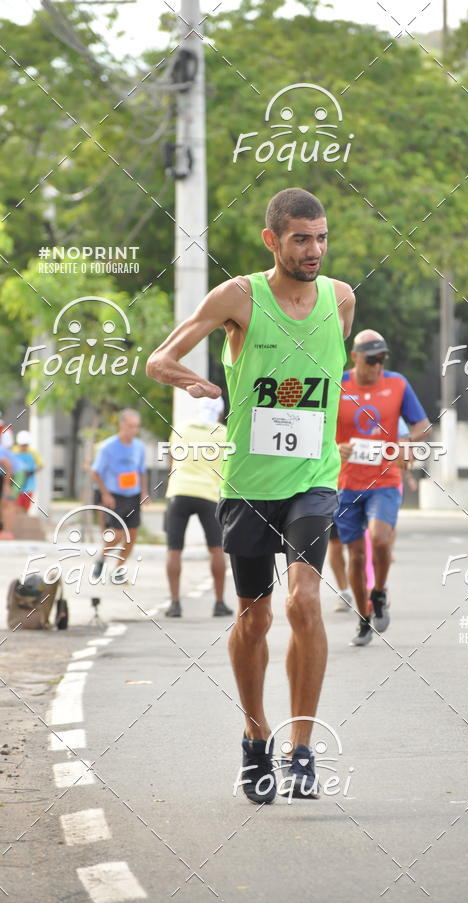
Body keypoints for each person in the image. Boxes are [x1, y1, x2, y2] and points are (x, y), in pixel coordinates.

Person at [147, 187, 355, 802]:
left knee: (304, 601)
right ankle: (254, 734)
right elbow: (160, 359)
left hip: (315, 477)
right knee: (254, 614)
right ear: (272, 240)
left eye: (320, 237)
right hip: (247, 483)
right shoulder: (240, 296)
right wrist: (194, 380)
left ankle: (301, 748)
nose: (313, 249)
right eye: (300, 238)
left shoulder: (340, 299)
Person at [335, 330, 430, 646]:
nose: (376, 366)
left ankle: (378, 594)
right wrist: (335, 447)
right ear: (355, 357)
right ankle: (363, 618)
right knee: (356, 555)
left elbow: (422, 425)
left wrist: (407, 443)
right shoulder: (338, 385)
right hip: (346, 482)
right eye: (370, 359)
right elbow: (315, 427)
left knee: (378, 538)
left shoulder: (397, 384)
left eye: (381, 359)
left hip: (385, 479)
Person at [163, 395, 233, 619]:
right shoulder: (223, 433)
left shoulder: (180, 429)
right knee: (216, 549)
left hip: (179, 492)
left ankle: (174, 604)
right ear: (220, 413)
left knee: (174, 549)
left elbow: (171, 461)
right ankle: (219, 603)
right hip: (208, 495)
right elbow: (228, 468)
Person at [91, 409, 148, 582]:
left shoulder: (139, 447)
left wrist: (144, 492)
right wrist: (105, 494)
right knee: (117, 535)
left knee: (132, 536)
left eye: (136, 427)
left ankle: (118, 570)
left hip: (133, 495)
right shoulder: (108, 447)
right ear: (121, 425)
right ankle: (102, 557)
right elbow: (95, 472)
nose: (133, 430)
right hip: (114, 496)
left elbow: (142, 471)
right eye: (130, 426)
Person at [12, 430, 43, 512]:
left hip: (29, 487)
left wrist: (31, 472)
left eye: (25, 445)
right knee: (16, 509)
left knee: (25, 510)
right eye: (22, 445)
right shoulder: (13, 451)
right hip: (16, 487)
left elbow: (41, 465)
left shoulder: (33, 453)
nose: (23, 447)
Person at [327, 521, 354, 612]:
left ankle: (370, 591)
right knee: (335, 542)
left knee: (357, 546)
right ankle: (344, 592)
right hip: (334, 507)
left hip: (357, 507)